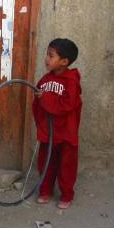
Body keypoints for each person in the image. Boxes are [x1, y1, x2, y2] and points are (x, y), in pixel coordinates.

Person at [33, 38, 82, 210]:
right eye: (47, 54)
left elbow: (67, 105)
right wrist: (41, 123)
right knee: (46, 163)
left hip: (66, 134)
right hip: (49, 133)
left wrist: (45, 98)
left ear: (64, 62)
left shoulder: (71, 81)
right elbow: (37, 104)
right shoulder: (45, 80)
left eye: (51, 55)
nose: (46, 59)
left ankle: (67, 194)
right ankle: (45, 191)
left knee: (66, 166)